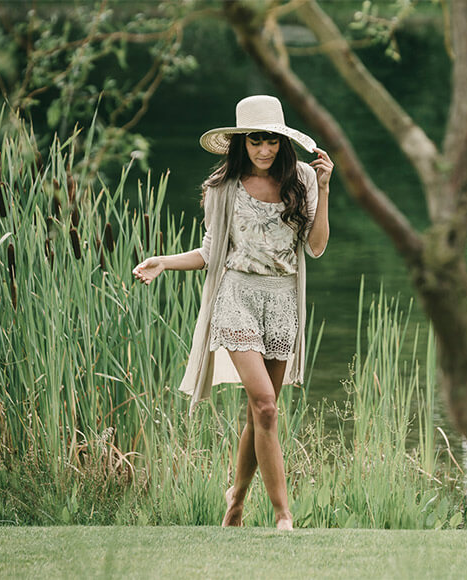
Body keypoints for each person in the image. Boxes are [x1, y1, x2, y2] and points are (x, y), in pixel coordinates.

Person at [132, 95, 333, 530]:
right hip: (237, 297)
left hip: (282, 301)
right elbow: (210, 252)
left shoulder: (303, 179)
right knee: (265, 406)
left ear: (283, 142)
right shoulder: (222, 189)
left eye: (272, 141)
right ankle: (283, 515)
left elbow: (316, 247)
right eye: (256, 141)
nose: (264, 150)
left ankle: (236, 499)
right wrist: (164, 262)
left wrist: (327, 188)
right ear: (242, 142)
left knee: (260, 412)